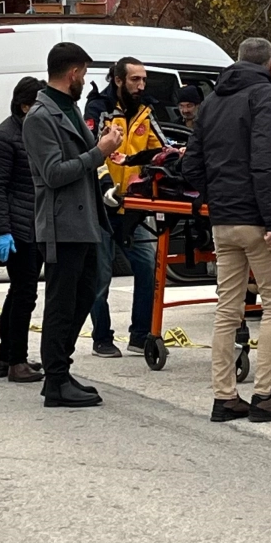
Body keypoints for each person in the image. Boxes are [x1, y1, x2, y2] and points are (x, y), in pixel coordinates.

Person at [179, 37, 271, 424]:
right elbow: (266, 160)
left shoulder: (214, 100)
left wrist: (211, 199)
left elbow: (191, 164)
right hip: (256, 218)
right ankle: (265, 394)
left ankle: (224, 397)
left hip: (223, 219)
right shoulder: (267, 97)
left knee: (227, 309)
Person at [22, 42, 122, 408]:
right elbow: (52, 173)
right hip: (61, 223)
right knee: (62, 302)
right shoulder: (40, 116)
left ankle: (61, 368)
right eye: (83, 73)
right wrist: (100, 151)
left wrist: (105, 147)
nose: (84, 80)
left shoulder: (69, 109)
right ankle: (55, 380)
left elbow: (82, 159)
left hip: (85, 220)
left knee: (87, 291)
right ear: (73, 73)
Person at [89, 57, 163, 358]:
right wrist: (105, 187)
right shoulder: (98, 110)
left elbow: (160, 148)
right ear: (118, 80)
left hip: (135, 207)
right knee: (100, 276)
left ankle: (140, 335)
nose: (141, 85)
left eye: (144, 79)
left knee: (148, 268)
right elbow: (92, 152)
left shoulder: (146, 111)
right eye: (135, 80)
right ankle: (101, 337)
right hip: (103, 207)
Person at [0, 77, 47, 384]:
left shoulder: (27, 133)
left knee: (21, 292)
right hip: (17, 227)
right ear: (25, 106)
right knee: (24, 294)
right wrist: (1, 230)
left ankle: (7, 355)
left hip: (32, 223)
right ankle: (15, 361)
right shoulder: (3, 138)